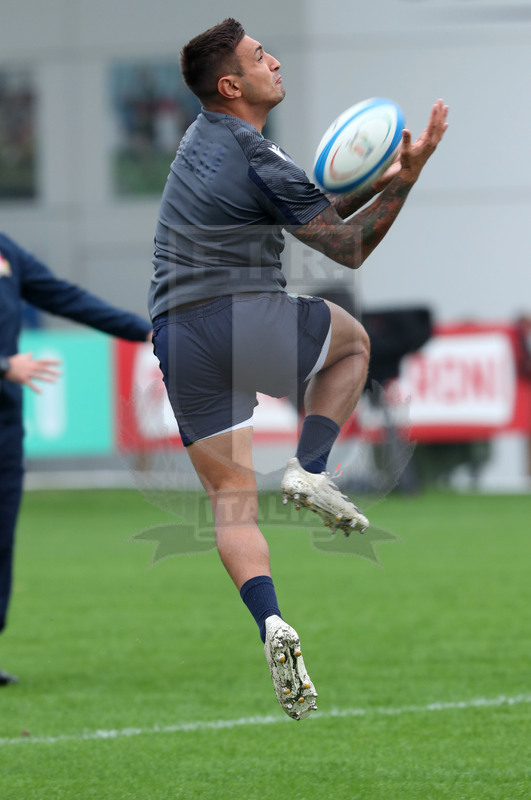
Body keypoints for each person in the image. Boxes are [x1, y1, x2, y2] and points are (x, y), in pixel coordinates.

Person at [149, 18, 448, 720]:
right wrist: (409, 182)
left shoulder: (204, 141)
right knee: (352, 343)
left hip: (177, 332)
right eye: (261, 57)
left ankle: (271, 621)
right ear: (232, 85)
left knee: (230, 499)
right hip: (238, 315)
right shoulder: (254, 151)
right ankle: (310, 467)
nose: (275, 62)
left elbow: (313, 214)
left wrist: (387, 175)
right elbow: (346, 246)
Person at [0, 233, 152, 685]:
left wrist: (144, 330)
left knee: (1, 538)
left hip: (5, 422)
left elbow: (65, 297)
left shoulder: (7, 251)